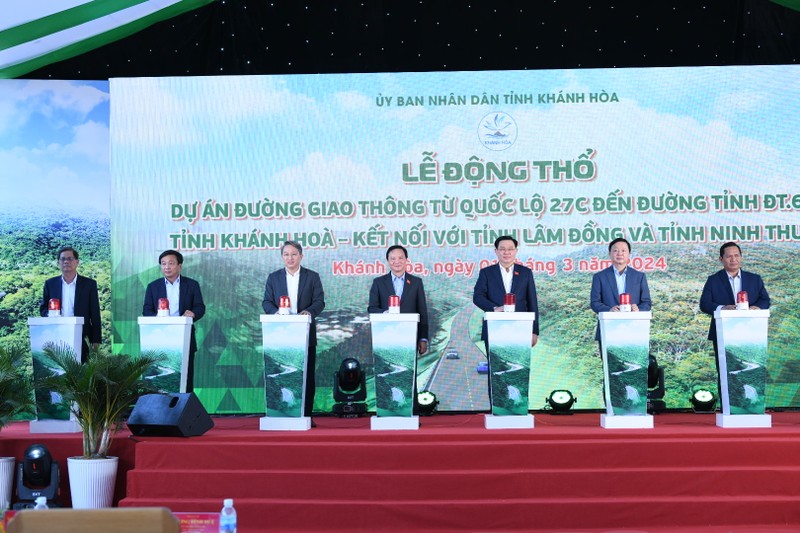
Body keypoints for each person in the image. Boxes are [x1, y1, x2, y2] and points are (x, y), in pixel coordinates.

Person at [262, 241, 326, 417]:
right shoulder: (273, 278)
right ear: (282, 257)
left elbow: (319, 302)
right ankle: (281, 414)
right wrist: (276, 313)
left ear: (301, 256)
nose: (290, 258)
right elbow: (266, 302)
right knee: (281, 375)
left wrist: (309, 312)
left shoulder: (312, 277)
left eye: (294, 254)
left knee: (306, 376)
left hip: (305, 333)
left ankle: (306, 414)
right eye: (286, 254)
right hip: (280, 334)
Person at [473, 236, 539, 402]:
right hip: (495, 328)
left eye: (510, 249)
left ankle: (518, 406)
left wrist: (535, 331)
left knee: (519, 369)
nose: (506, 252)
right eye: (502, 249)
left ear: (516, 251)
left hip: (520, 329)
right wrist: (494, 308)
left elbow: (532, 302)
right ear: (496, 251)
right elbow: (477, 297)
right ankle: (497, 406)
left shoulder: (525, 273)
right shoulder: (487, 273)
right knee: (496, 370)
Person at [700, 241, 770, 390]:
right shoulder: (713, 280)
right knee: (726, 371)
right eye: (729, 256)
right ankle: (727, 408)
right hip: (722, 332)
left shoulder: (754, 279)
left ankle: (752, 405)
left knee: (753, 368)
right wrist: (723, 308)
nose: (733, 259)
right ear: (721, 259)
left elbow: (765, 299)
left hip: (750, 332)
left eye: (736, 255)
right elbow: (704, 304)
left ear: (741, 257)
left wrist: (757, 308)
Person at [143, 250, 206, 392]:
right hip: (160, 338)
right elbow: (147, 310)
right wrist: (159, 318)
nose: (167, 267)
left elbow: (200, 307)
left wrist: (193, 313)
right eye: (163, 264)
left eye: (171, 263)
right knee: (159, 380)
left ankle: (185, 410)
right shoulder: (153, 287)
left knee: (186, 376)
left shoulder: (191, 285)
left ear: (180, 266)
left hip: (185, 337)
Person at [40, 246, 101, 362]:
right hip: (56, 333)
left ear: (77, 262)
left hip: (82, 335)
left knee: (81, 371)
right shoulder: (50, 284)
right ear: (59, 262)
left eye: (70, 258)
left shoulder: (89, 284)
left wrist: (96, 339)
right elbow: (43, 309)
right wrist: (51, 315)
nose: (66, 261)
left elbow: (95, 313)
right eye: (63, 259)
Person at [368, 245, 429, 355]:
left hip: (410, 336)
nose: (397, 261)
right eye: (393, 258)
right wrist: (385, 313)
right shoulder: (378, 282)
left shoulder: (416, 282)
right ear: (388, 261)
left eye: (400, 258)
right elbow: (372, 308)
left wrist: (423, 338)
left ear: (406, 260)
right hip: (385, 337)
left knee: (409, 369)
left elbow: (422, 312)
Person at [590, 237, 652, 346]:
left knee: (633, 362)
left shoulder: (639, 276)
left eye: (623, 250)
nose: (620, 253)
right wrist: (609, 309)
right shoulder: (599, 277)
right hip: (608, 329)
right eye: (615, 250)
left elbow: (647, 303)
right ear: (610, 253)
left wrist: (638, 309)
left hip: (634, 329)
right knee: (609, 363)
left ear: (629, 254)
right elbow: (595, 303)